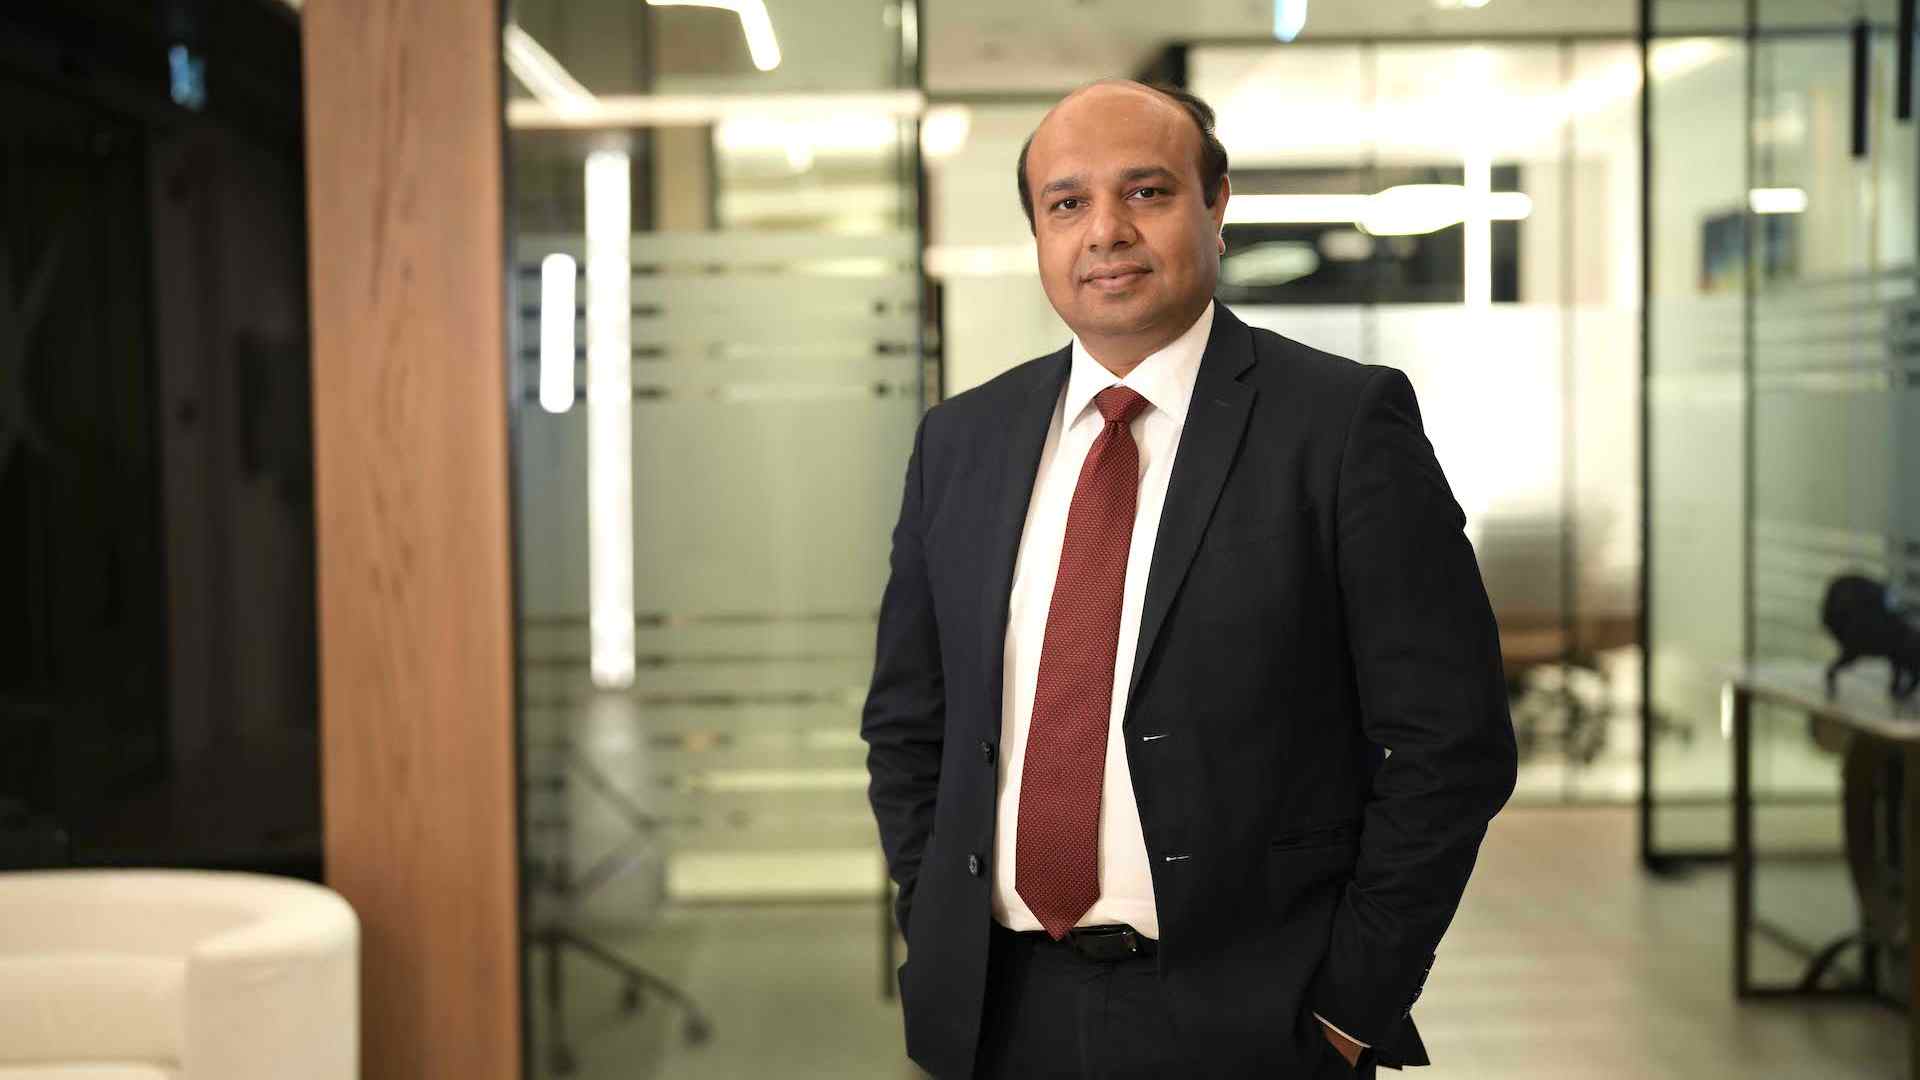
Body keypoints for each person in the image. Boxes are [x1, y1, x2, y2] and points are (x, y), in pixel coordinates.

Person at [860, 78, 1517, 1079]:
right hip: (999, 1017)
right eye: (1067, 203)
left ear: (1216, 206)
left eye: (1148, 192)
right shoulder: (962, 441)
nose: (1106, 231)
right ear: (1038, 233)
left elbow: (1450, 743)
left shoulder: (1340, 427)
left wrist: (1352, 1002)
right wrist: (936, 910)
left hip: (1254, 1020)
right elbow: (911, 722)